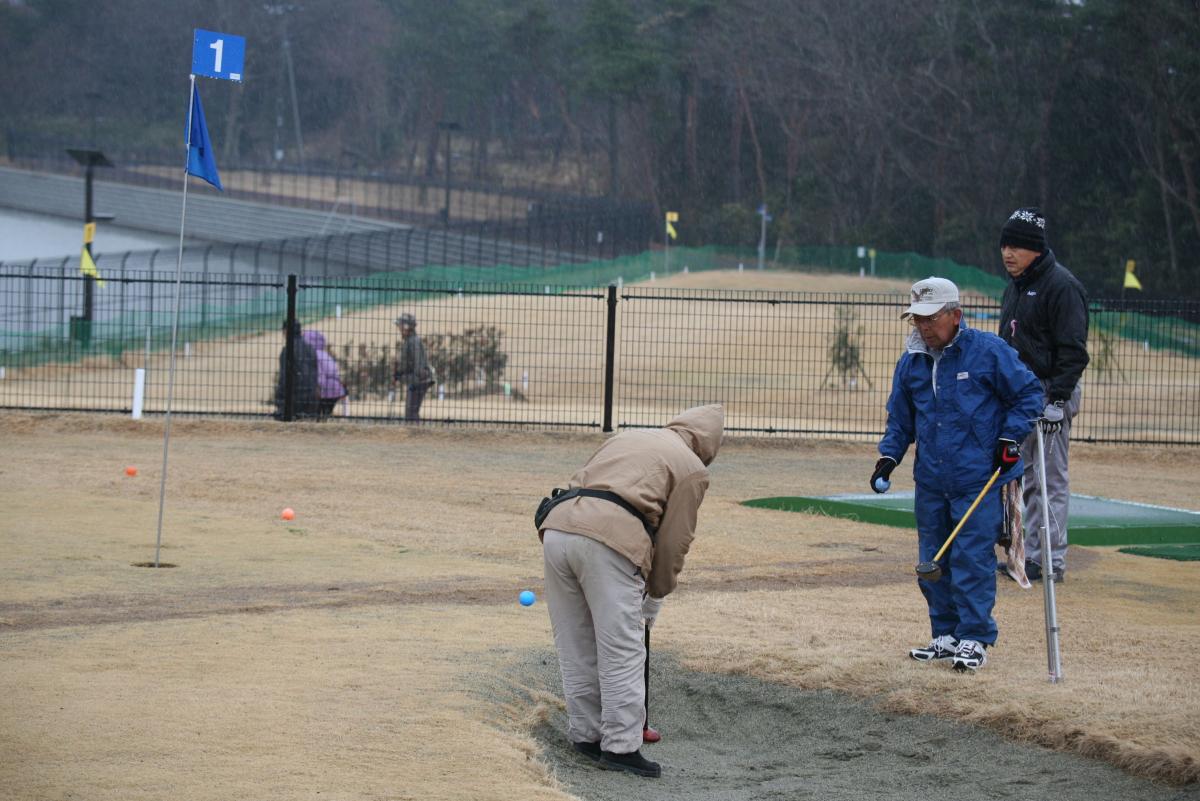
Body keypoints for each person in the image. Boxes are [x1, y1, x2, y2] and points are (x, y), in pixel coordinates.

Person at [537, 404, 724, 778]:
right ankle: (621, 747)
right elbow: (674, 541)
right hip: (609, 540)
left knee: (575, 642)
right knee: (622, 647)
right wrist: (656, 594)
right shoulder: (692, 468)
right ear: (708, 445)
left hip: (557, 530)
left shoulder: (629, 435)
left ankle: (586, 735)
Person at [872, 278, 1042, 672]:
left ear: (955, 315)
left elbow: (1029, 393)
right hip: (931, 479)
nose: (924, 327)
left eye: (931, 319)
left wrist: (1009, 438)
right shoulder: (911, 361)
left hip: (978, 478)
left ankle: (974, 637)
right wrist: (889, 458)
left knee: (971, 558)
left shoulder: (987, 351)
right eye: (917, 319)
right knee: (932, 560)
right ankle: (945, 635)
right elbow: (901, 419)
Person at [997, 208, 1090, 583]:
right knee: (1021, 478)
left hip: (1050, 394)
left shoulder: (1062, 286)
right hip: (1020, 397)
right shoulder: (1014, 287)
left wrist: (1057, 400)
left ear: (1036, 248)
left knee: (1049, 482)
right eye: (1004, 244)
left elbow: (1073, 351)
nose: (1007, 252)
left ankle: (1050, 561)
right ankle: (1024, 555)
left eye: (1016, 245)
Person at [273, 320, 320, 420]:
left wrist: (279, 399)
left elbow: (284, 378)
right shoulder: (311, 349)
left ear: (285, 332)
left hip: (295, 398)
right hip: (312, 397)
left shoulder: (287, 350)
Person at [393, 313, 433, 422]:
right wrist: (399, 374)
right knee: (410, 412)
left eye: (401, 326)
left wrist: (413, 383)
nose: (399, 329)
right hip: (416, 381)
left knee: (411, 413)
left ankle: (416, 435)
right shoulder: (409, 341)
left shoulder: (413, 341)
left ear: (407, 327)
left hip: (419, 381)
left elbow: (418, 365)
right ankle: (414, 433)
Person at [302, 329, 347, 419]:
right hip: (335, 388)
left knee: (319, 415)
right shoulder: (325, 354)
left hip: (325, 389)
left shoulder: (314, 355)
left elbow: (319, 374)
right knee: (325, 414)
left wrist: (317, 388)